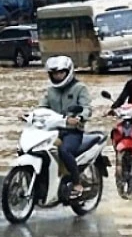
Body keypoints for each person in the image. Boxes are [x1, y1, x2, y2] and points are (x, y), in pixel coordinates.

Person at [38, 56, 92, 198]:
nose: (57, 76)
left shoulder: (80, 88)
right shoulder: (50, 91)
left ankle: (77, 182)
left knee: (64, 150)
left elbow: (87, 108)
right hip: (52, 131)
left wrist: (79, 118)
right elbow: (41, 108)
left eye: (61, 73)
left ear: (68, 72)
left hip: (72, 132)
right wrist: (30, 115)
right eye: (55, 73)